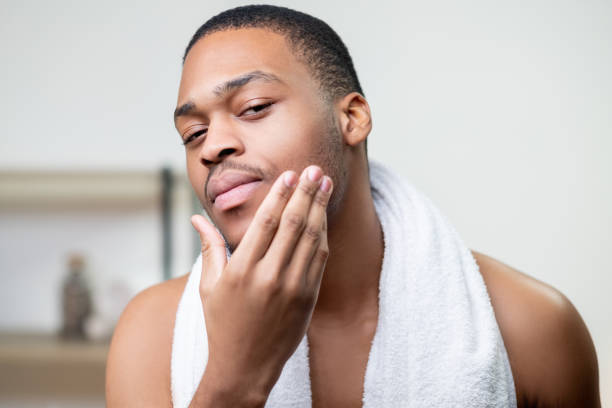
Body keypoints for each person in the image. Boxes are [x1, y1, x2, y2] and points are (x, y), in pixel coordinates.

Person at [106, 5, 600, 407]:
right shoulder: (152, 335)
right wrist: (234, 381)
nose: (212, 146)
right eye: (193, 134)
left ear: (353, 118)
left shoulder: (533, 329)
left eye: (254, 107)